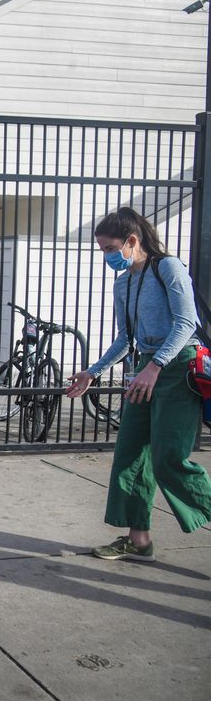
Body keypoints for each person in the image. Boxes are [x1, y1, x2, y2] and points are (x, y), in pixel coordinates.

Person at [67, 207, 211, 562]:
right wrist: (93, 371)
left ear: (132, 240)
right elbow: (125, 339)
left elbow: (186, 322)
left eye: (110, 248)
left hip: (176, 368)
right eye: (102, 250)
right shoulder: (124, 283)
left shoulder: (168, 268)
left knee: (168, 459)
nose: (107, 256)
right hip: (145, 368)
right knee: (129, 455)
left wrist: (156, 366)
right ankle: (138, 539)